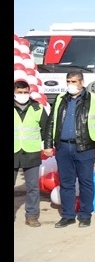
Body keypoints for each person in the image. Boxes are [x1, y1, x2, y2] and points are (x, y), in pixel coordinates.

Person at [43, 70, 95, 228]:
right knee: (66, 183)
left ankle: (85, 215)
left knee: (86, 182)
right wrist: (48, 145)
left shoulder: (94, 99)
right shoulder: (60, 99)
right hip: (63, 147)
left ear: (82, 82)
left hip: (85, 147)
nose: (70, 85)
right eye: (68, 81)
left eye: (74, 82)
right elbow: (51, 122)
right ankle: (68, 215)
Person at [14, 80, 49, 227]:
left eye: (25, 92)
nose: (22, 95)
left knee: (33, 187)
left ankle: (32, 216)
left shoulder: (37, 108)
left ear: (29, 92)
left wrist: (47, 146)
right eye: (19, 92)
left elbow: (46, 129)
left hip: (31, 152)